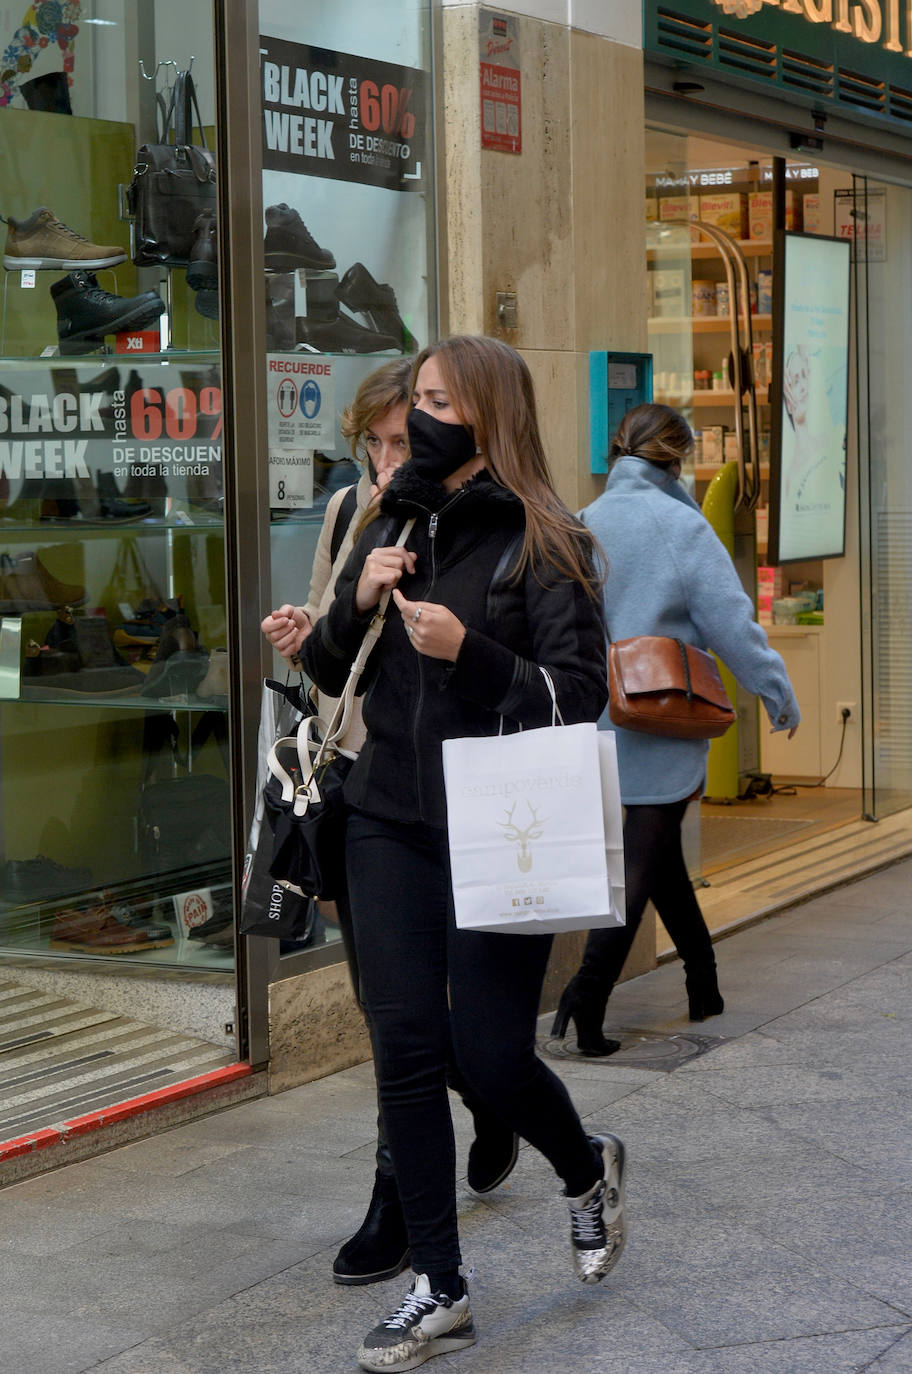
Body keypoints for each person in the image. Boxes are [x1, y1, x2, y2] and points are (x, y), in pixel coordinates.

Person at [299, 335, 628, 1373]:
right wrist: (353, 603)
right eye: (419, 400)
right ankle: (439, 1286)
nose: (421, 419)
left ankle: (587, 1171)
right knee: (404, 1049)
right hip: (389, 816)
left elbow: (579, 696)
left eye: (439, 400)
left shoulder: (547, 537)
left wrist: (470, 653)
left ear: (487, 413)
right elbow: (323, 665)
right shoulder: (392, 516)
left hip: (504, 824)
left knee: (488, 1054)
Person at [261, 359, 519, 1291]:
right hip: (362, 789)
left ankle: (496, 1099)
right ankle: (401, 1193)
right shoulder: (348, 514)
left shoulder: (479, 519)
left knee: (460, 1022)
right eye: (369, 444)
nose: (381, 461)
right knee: (390, 1008)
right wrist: (312, 626)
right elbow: (336, 658)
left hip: (464, 794)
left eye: (400, 442)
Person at [552, 402, 800, 1056]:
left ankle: (703, 980)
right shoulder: (680, 527)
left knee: (655, 855)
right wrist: (775, 690)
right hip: (660, 716)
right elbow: (730, 625)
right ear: (677, 456)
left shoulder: (583, 522)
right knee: (645, 855)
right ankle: (589, 989)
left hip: (599, 717)